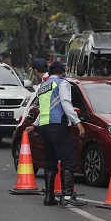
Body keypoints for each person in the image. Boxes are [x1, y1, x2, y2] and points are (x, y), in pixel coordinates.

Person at [26, 61, 87, 207]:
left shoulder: (43, 86)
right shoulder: (62, 83)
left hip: (45, 128)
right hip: (58, 125)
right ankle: (66, 196)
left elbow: (43, 109)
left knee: (50, 162)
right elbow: (65, 103)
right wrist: (77, 121)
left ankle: (49, 197)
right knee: (67, 160)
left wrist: (34, 125)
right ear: (63, 72)